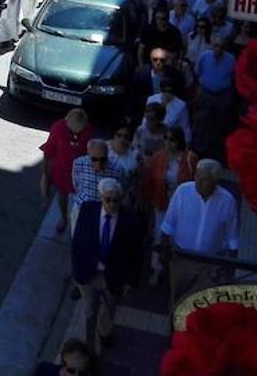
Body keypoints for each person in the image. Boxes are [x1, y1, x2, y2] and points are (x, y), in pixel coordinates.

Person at [71, 178, 143, 351]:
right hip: (88, 274)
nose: (112, 204)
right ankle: (88, 345)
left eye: (115, 200)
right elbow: (77, 241)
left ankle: (104, 333)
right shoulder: (88, 210)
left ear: (121, 198)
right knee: (89, 310)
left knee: (108, 310)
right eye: (107, 200)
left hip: (114, 276)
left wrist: (131, 281)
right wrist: (76, 270)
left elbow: (136, 254)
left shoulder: (131, 220)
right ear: (101, 197)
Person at [159, 159, 238, 297]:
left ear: (215, 182)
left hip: (209, 263)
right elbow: (168, 226)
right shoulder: (182, 192)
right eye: (197, 176)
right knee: (177, 300)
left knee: (199, 303)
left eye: (205, 180)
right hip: (182, 258)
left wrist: (230, 269)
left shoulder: (227, 201)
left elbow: (232, 238)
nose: (198, 183)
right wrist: (164, 255)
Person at [141, 127, 197, 281]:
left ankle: (175, 269)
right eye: (165, 138)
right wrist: (148, 202)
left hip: (182, 206)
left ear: (179, 141)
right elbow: (150, 182)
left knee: (179, 238)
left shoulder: (189, 158)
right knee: (160, 236)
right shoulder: (158, 157)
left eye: (171, 139)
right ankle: (157, 269)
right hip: (162, 203)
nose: (167, 142)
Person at [40, 108, 94, 234]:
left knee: (81, 200)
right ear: (67, 122)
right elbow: (49, 151)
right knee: (62, 194)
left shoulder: (88, 130)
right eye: (74, 129)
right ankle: (64, 218)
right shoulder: (58, 128)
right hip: (62, 169)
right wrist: (46, 172)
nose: (77, 132)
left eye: (80, 129)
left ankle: (78, 221)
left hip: (80, 172)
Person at [192, 37, 237, 161]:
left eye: (221, 46)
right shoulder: (204, 56)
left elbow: (233, 77)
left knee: (219, 123)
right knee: (201, 121)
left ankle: (215, 152)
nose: (218, 49)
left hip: (222, 95)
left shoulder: (231, 59)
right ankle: (198, 149)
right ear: (212, 46)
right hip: (205, 92)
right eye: (216, 46)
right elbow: (197, 71)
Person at [70, 139, 123, 234]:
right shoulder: (79, 163)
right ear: (88, 155)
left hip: (105, 211)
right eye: (94, 159)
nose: (98, 164)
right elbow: (76, 184)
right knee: (78, 237)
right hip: (81, 208)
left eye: (103, 159)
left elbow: (120, 191)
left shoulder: (117, 169)